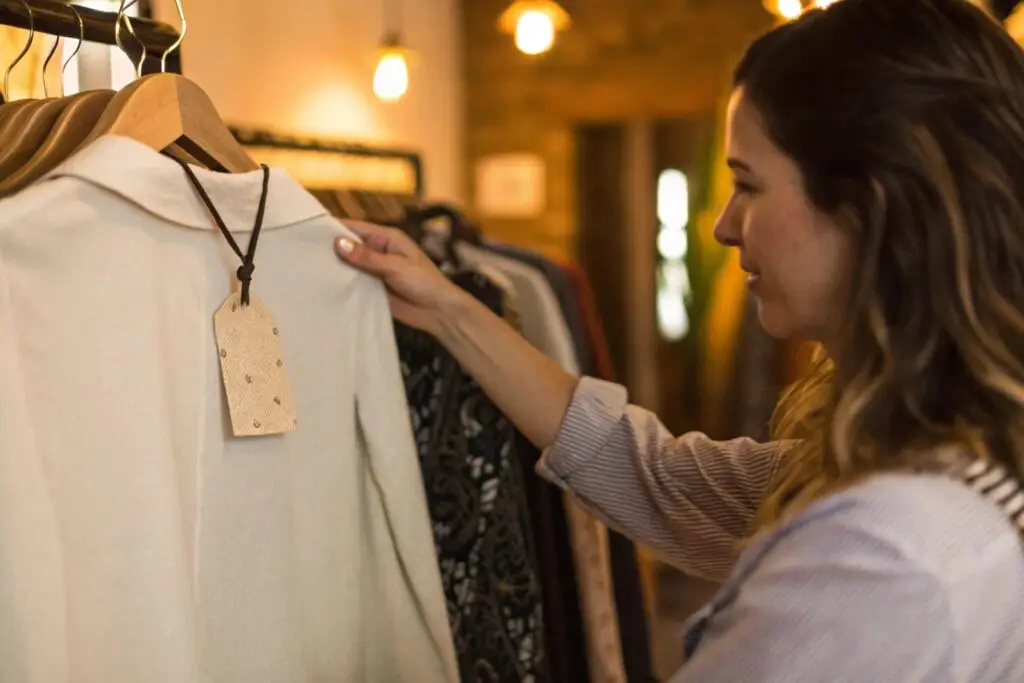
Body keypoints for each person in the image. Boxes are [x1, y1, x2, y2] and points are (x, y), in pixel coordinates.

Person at [336, 0, 1024, 679]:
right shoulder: (947, 457)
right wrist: (450, 309)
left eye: (748, 185)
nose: (725, 225)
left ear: (872, 209)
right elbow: (662, 477)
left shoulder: (885, 557)